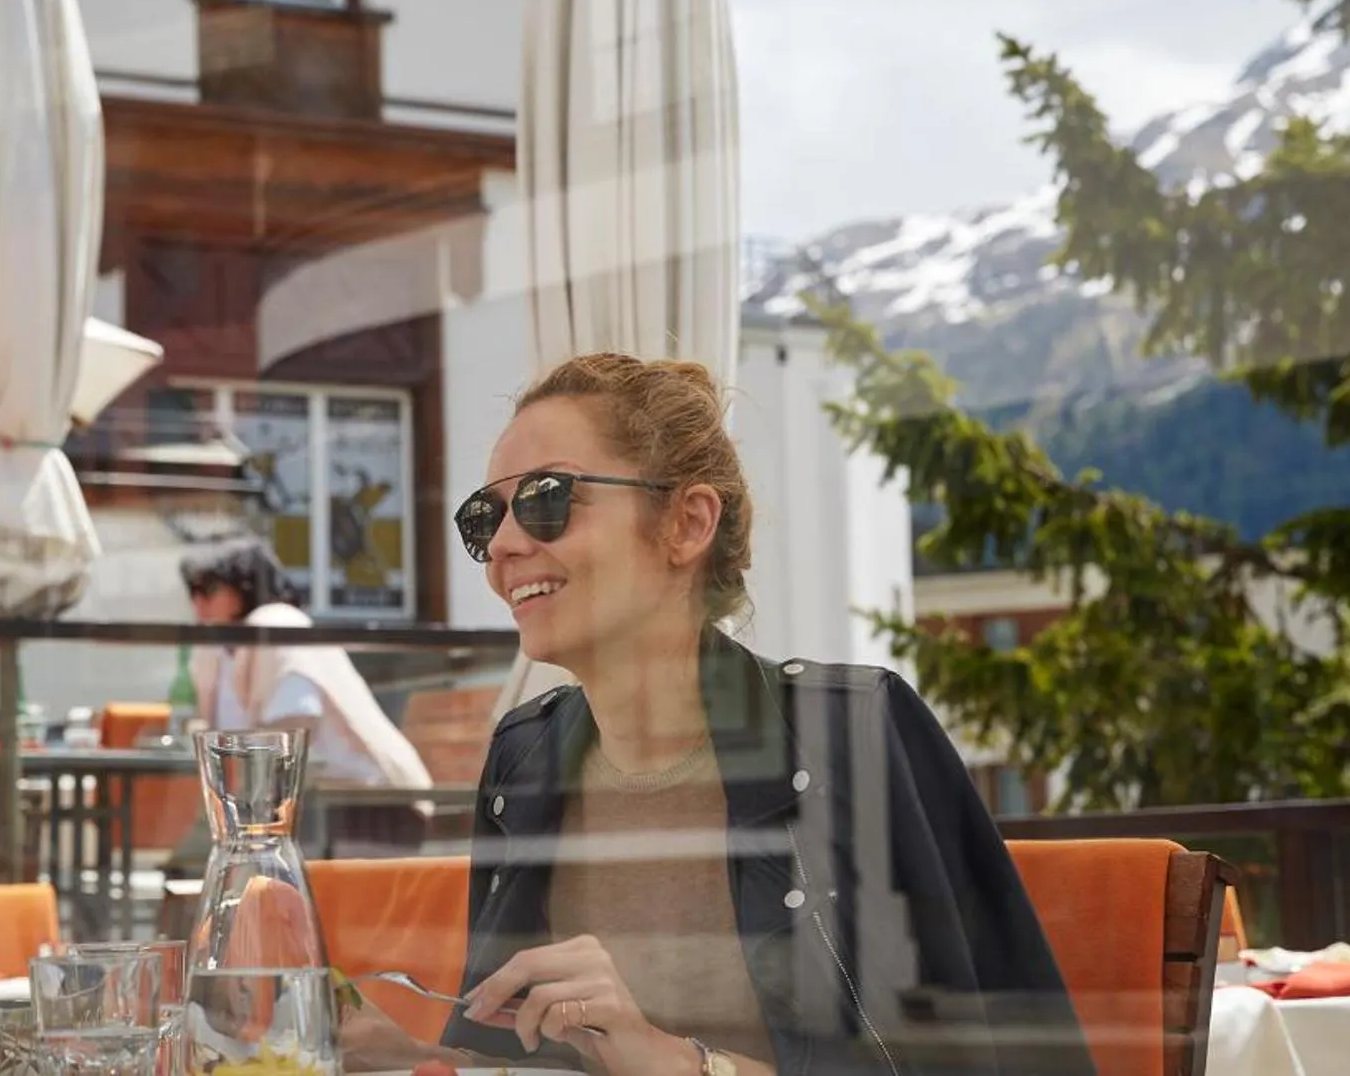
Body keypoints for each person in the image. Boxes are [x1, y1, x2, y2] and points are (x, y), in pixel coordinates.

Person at [437, 353, 1095, 1076]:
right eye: (484, 517)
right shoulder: (522, 758)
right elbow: (498, 1056)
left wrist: (681, 1064)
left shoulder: (851, 734)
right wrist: (387, 1049)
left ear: (687, 523)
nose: (501, 545)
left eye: (546, 497)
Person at [181, 538, 431, 792]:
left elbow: (292, 730)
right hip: (297, 800)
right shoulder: (216, 651)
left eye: (209, 590)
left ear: (244, 586)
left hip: (368, 799)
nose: (198, 603)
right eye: (192, 591)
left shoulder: (278, 624)